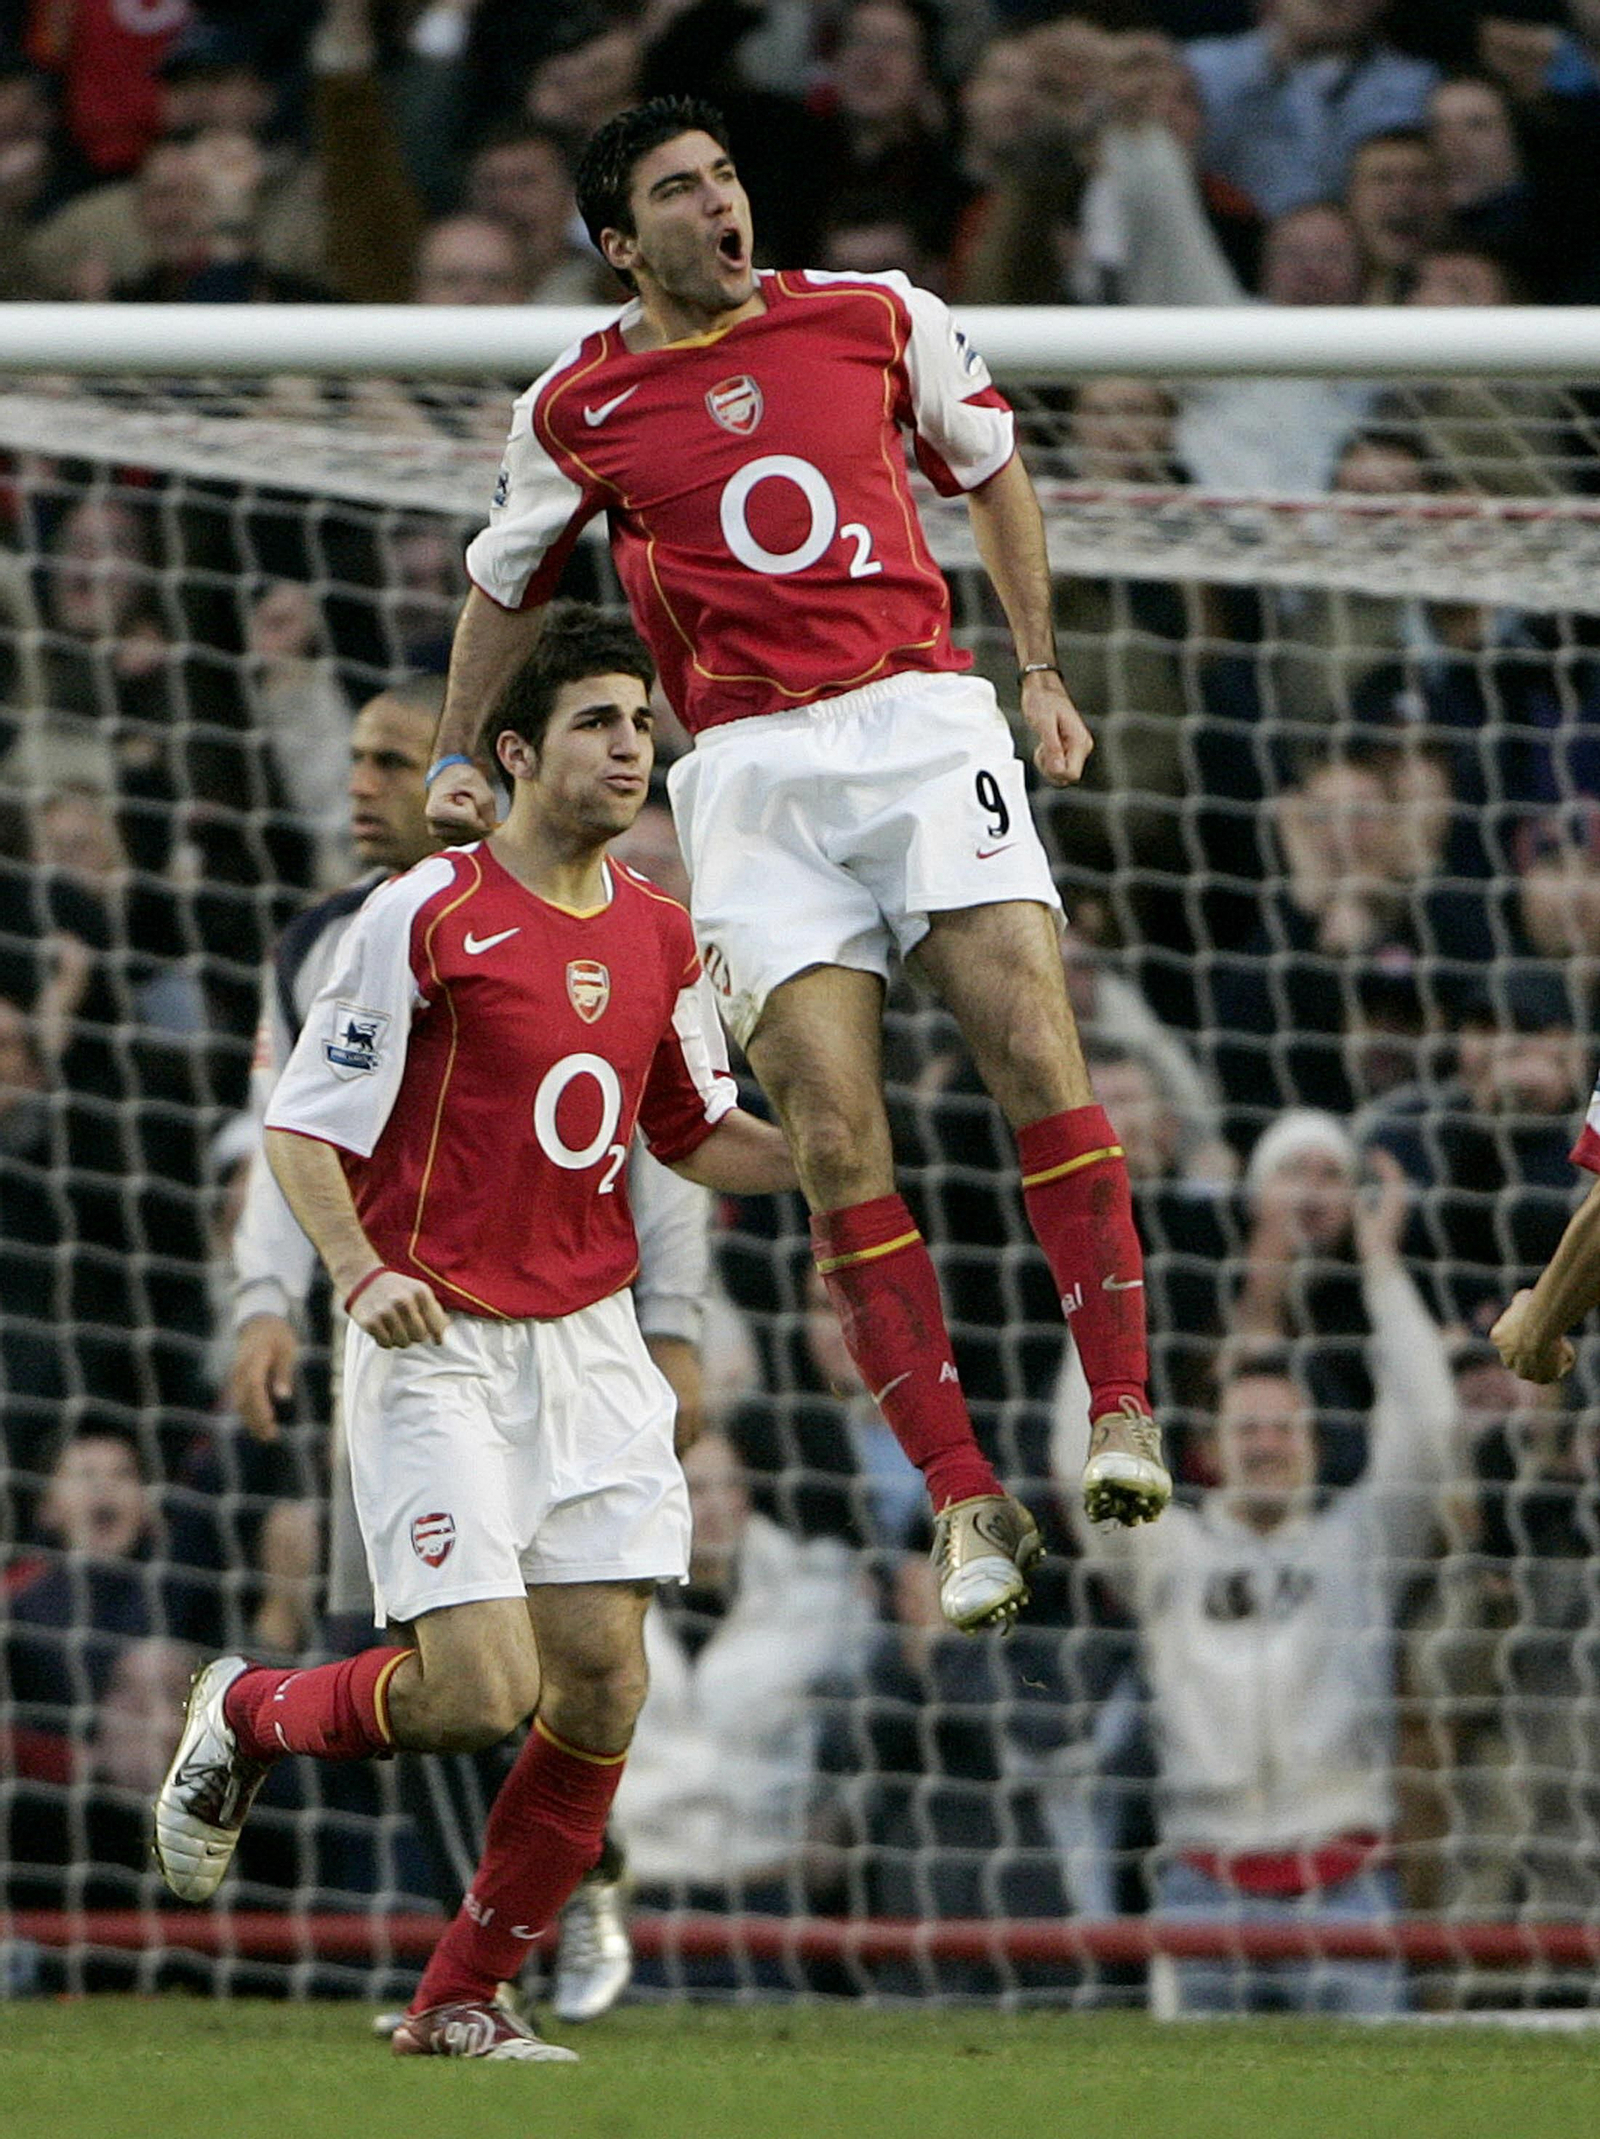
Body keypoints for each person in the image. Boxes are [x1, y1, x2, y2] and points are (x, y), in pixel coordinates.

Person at [424, 95, 1172, 1641]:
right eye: (677, 194)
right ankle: (964, 1493)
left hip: (916, 719)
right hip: (750, 774)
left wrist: (1039, 665)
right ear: (621, 244)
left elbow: (996, 472)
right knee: (833, 1130)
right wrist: (451, 752)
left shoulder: (883, 318)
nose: (717, 205)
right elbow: (504, 582)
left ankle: (1124, 1410)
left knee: (1036, 1039)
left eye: (726, 179)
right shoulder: (576, 405)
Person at [154, 604, 797, 2061]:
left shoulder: (662, 933)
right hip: (436, 1338)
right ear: (515, 752)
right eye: (598, 722)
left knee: (603, 1679)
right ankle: (249, 1707)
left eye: (643, 722)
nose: (632, 746)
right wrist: (352, 1269)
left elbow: (696, 1134)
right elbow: (302, 1125)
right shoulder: (423, 913)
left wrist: (835, 1147)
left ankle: (460, 1994)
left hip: (589, 1343)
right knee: (475, 1693)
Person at [1065, 1329, 1454, 2017]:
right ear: (1210, 1448)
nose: (1267, 1443)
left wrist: (1381, 1269)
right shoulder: (1167, 1549)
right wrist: (1093, 1297)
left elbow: (1431, 1429)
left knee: (1376, 2117)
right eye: (1247, 1428)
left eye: (1284, 1426)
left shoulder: (1364, 1540)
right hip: (1202, 1891)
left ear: (1315, 1440)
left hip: (1347, 1891)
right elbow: (1078, 1465)